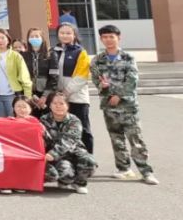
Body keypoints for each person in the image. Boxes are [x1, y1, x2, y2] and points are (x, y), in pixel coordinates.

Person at [89, 24, 158, 185]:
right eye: (105, 37)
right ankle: (124, 169)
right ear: (101, 39)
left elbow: (132, 79)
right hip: (109, 106)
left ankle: (146, 172)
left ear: (118, 38)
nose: (108, 40)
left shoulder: (128, 57)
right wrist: (103, 87)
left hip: (127, 106)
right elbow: (96, 79)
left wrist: (119, 95)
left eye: (111, 36)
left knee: (136, 139)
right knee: (116, 138)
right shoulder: (97, 60)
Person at [47, 23, 93, 153]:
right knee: (61, 130)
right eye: (62, 33)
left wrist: (65, 93)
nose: (65, 35)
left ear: (74, 35)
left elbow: (81, 76)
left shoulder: (80, 52)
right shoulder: (53, 51)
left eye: (68, 33)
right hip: (58, 99)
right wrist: (56, 94)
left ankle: (87, 157)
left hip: (77, 97)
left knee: (82, 129)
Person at [42, 93, 97, 194]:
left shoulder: (74, 120)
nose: (58, 106)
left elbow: (69, 140)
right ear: (50, 105)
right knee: (65, 174)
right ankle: (65, 180)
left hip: (73, 152)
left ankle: (80, 183)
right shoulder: (44, 120)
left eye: (61, 103)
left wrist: (53, 153)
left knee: (89, 161)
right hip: (58, 158)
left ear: (67, 106)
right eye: (55, 103)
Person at [0, 29, 33, 118]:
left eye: (2, 38)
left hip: (12, 95)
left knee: (14, 120)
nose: (0, 40)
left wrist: (27, 96)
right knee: (0, 121)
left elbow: (25, 77)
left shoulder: (16, 56)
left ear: (8, 39)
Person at [17, 27, 51, 112]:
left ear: (42, 38)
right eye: (31, 36)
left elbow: (54, 77)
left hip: (46, 92)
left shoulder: (50, 55)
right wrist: (29, 94)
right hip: (29, 92)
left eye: (37, 36)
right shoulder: (23, 55)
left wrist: (45, 95)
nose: (34, 38)